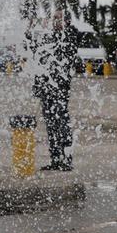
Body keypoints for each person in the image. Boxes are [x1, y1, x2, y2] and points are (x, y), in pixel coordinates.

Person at [31, 11, 76, 171]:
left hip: (59, 88)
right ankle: (55, 158)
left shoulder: (69, 36)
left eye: (59, 18)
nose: (54, 21)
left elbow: (63, 59)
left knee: (61, 122)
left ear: (67, 21)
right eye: (54, 18)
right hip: (46, 88)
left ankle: (67, 159)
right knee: (50, 124)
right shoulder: (49, 36)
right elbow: (38, 54)